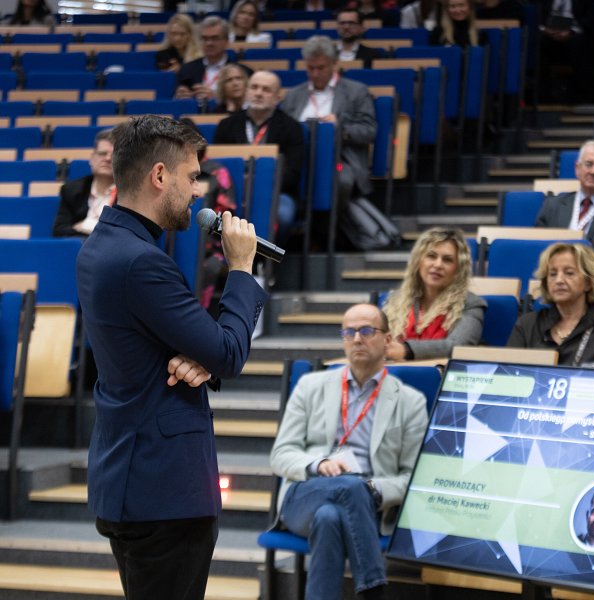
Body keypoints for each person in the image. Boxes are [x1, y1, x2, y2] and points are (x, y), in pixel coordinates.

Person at [76, 115, 268, 600]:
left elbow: (176, 346)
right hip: (162, 490)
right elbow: (228, 353)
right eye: (192, 176)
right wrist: (241, 269)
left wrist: (201, 358)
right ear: (159, 176)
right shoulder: (142, 262)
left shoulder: (103, 244)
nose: (198, 191)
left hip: (133, 476)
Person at [270, 303, 428, 600]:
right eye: (349, 332)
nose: (356, 339)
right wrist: (319, 463)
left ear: (387, 339)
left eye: (366, 331)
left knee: (330, 516)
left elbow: (413, 477)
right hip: (305, 494)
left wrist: (373, 489)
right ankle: (373, 587)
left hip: (368, 504)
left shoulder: (410, 401)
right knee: (350, 488)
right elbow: (281, 455)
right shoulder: (310, 386)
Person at [281, 36, 376, 210]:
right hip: (299, 160)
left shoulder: (356, 91)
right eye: (310, 68)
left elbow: (368, 131)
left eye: (321, 68)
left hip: (340, 159)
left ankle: (328, 225)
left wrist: (340, 128)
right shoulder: (293, 95)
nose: (315, 74)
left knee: (340, 181)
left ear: (334, 64)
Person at [507, 243, 594, 366]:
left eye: (569, 273)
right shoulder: (527, 325)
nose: (559, 280)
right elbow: (508, 373)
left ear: (588, 283)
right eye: (553, 274)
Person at [213, 71, 303, 228]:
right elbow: (216, 166)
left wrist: (260, 186)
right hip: (232, 192)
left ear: (277, 97)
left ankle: (268, 246)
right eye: (254, 87)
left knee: (282, 215)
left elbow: (292, 174)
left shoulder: (291, 127)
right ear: (247, 91)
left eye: (266, 89)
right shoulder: (226, 125)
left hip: (275, 193)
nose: (259, 93)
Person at [382, 228, 486, 360]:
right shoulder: (394, 300)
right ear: (418, 261)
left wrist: (407, 350)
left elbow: (459, 346)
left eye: (447, 260)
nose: (438, 265)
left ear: (458, 269)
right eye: (431, 256)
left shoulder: (471, 304)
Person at [181, 118, 237, 312]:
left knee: (210, 264)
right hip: (173, 239)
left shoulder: (216, 173)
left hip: (209, 246)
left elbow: (225, 219)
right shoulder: (166, 174)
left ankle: (196, 317)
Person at [52, 129, 116, 238]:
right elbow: (59, 231)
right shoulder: (72, 190)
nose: (108, 158)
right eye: (102, 153)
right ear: (92, 159)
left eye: (114, 155)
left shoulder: (130, 193)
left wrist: (85, 225)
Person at [175, 16, 252, 102]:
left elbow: (247, 103)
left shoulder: (243, 72)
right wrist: (181, 97)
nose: (209, 43)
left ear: (226, 41)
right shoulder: (187, 69)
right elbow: (176, 101)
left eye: (214, 38)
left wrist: (217, 98)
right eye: (205, 39)